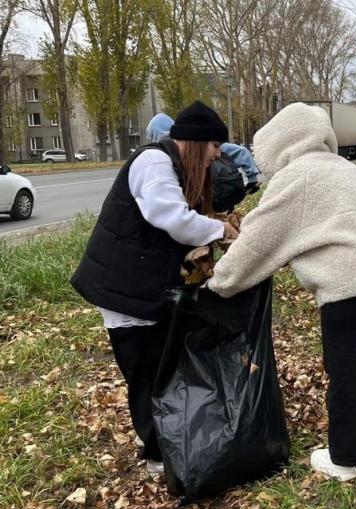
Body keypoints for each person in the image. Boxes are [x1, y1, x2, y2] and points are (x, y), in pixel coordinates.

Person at [208, 103, 356, 482]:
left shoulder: (297, 177)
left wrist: (219, 283)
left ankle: (344, 459)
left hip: (349, 285)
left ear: (279, 144)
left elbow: (257, 242)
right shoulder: (345, 168)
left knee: (346, 371)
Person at [70, 101, 236, 477]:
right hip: (123, 286)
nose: (218, 153)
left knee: (158, 364)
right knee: (143, 370)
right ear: (194, 141)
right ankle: (156, 455)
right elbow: (171, 218)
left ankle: (162, 438)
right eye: (214, 145)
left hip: (142, 285)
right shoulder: (154, 164)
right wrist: (220, 231)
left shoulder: (173, 165)